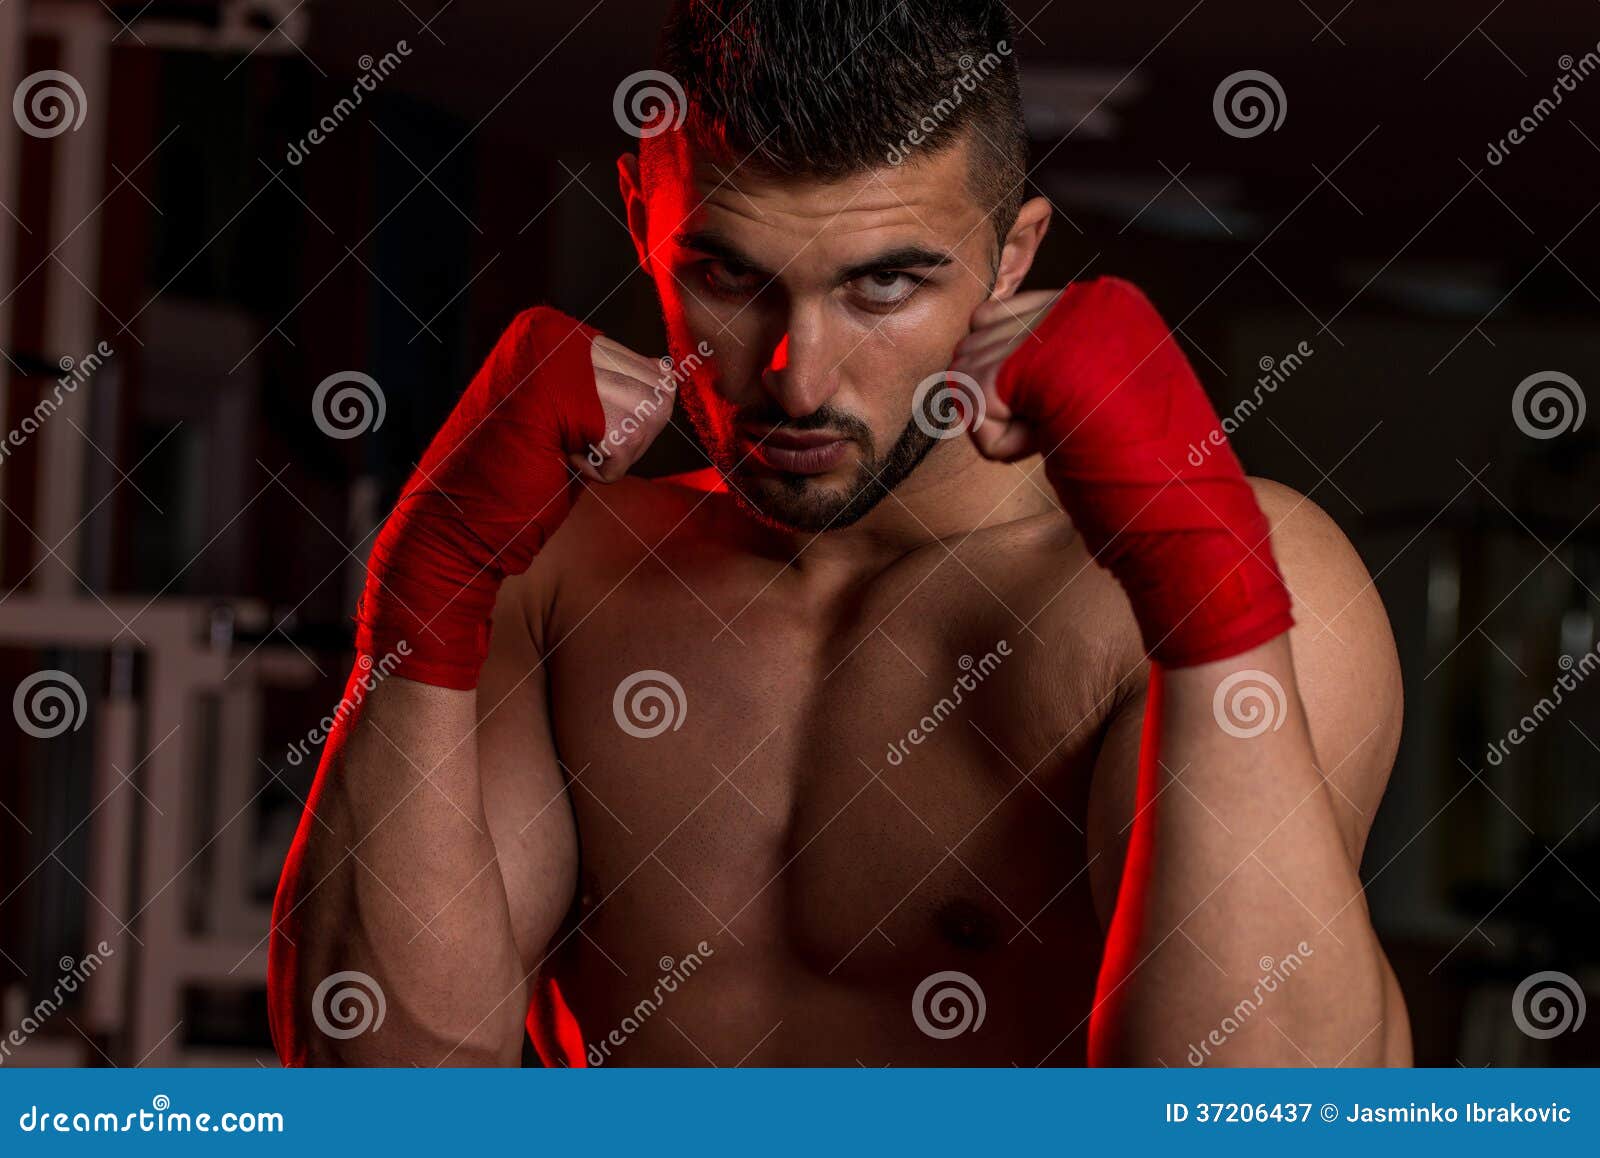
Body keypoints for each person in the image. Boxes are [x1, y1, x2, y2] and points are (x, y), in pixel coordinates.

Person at [268, 0, 1410, 1066]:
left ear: (1012, 260)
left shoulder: (1228, 579)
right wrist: (417, 602)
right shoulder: (555, 575)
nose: (797, 378)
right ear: (639, 221)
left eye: (883, 286)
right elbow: (377, 1087)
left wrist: (1207, 601)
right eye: (726, 275)